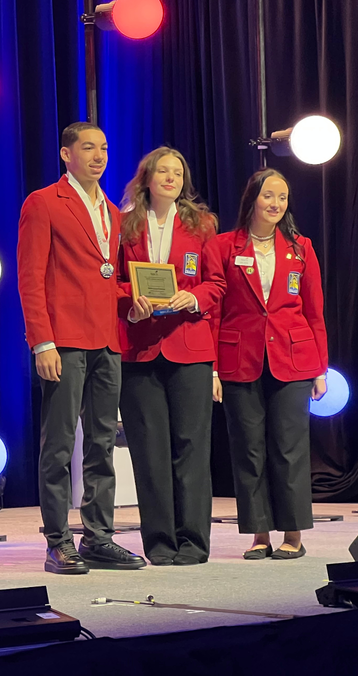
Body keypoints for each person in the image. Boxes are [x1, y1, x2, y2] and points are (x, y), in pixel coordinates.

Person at [17, 121, 146, 574]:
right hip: (64, 340)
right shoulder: (44, 202)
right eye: (88, 148)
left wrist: (134, 302)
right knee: (57, 446)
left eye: (104, 148)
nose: (98, 156)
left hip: (107, 339)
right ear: (65, 154)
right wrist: (42, 341)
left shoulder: (113, 212)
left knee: (102, 444)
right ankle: (57, 541)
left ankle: (99, 537)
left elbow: (107, 278)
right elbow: (30, 277)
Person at [116, 147, 226, 566]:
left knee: (192, 447)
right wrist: (132, 299)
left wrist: (192, 297)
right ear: (146, 177)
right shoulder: (124, 224)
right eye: (162, 171)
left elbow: (216, 283)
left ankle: (194, 542)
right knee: (149, 451)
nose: (170, 178)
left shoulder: (202, 225)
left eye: (177, 172)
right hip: (140, 348)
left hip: (190, 346)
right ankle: (160, 544)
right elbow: (115, 283)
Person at [214, 168, 327, 560]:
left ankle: (293, 534)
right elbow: (215, 312)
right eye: (269, 196)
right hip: (239, 358)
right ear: (252, 199)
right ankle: (259, 533)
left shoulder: (301, 248)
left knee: (290, 448)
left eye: (282, 197)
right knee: (248, 448)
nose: (276, 203)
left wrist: (320, 367)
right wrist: (213, 368)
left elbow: (314, 312)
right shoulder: (225, 246)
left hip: (293, 359)